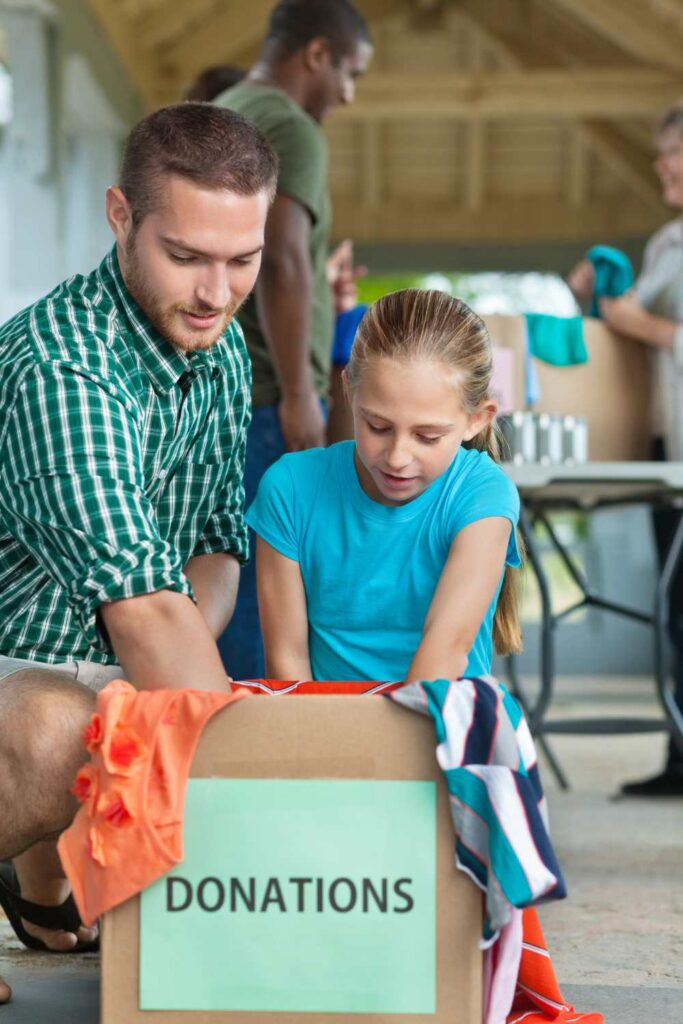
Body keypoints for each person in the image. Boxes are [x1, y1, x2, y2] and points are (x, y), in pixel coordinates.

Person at [0, 102, 278, 1001]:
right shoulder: (63, 368)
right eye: (186, 256)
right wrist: (269, 825)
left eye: (243, 260)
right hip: (15, 659)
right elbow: (149, 611)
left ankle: (34, 874)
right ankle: (36, 847)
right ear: (121, 216)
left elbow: (208, 551)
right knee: (57, 732)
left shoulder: (222, 344)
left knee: (128, 702)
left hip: (79, 643)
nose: (215, 292)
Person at [247, 288, 523, 683]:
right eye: (378, 427)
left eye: (427, 437)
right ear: (348, 391)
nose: (396, 457)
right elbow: (288, 663)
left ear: (477, 420)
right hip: (325, 729)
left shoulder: (482, 493)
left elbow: (446, 647)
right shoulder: (289, 489)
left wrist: (384, 744)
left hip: (437, 723)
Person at [215, 0, 373, 679]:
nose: (347, 93)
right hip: (266, 400)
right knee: (264, 595)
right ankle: (258, 766)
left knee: (221, 581)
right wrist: (301, 395)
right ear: (317, 55)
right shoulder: (292, 127)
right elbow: (281, 256)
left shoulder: (224, 109)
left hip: (218, 394)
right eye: (349, 73)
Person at [568, 103, 683, 797]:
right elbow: (626, 326)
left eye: (671, 150)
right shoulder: (666, 242)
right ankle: (679, 755)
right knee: (676, 605)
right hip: (668, 445)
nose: (659, 163)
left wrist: (638, 321)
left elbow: (644, 322)